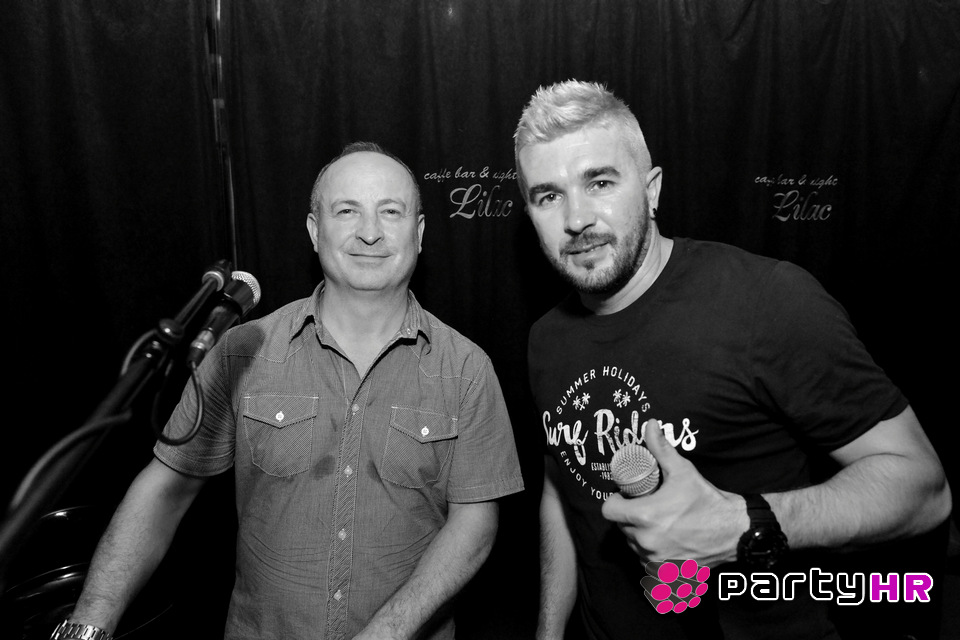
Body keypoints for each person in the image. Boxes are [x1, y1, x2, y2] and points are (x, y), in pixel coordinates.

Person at [515, 80, 951, 640]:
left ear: (651, 189)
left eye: (599, 182)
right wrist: (548, 631)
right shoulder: (546, 339)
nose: (576, 219)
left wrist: (744, 524)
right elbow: (564, 486)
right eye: (548, 196)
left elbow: (924, 489)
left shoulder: (767, 302)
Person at [53, 142, 524, 640]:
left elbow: (475, 526)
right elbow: (163, 492)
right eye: (347, 211)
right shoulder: (242, 351)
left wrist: (386, 633)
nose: (370, 232)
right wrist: (87, 627)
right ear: (315, 231)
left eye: (391, 211)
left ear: (420, 232)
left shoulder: (466, 368)